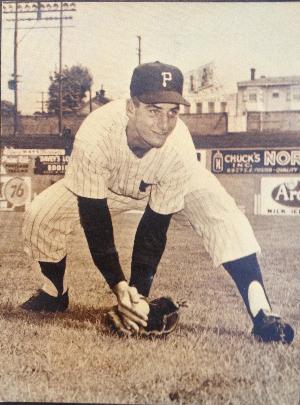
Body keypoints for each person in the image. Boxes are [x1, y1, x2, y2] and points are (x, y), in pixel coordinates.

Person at [21, 61, 294, 343]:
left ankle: (263, 313)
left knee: (223, 212)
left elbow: (154, 228)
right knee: (41, 214)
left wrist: (137, 297)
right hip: (108, 186)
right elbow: (95, 219)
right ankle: (54, 294)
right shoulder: (95, 134)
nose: (164, 124)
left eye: (172, 112)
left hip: (169, 178)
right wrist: (118, 286)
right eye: (153, 111)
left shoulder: (179, 146)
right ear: (131, 107)